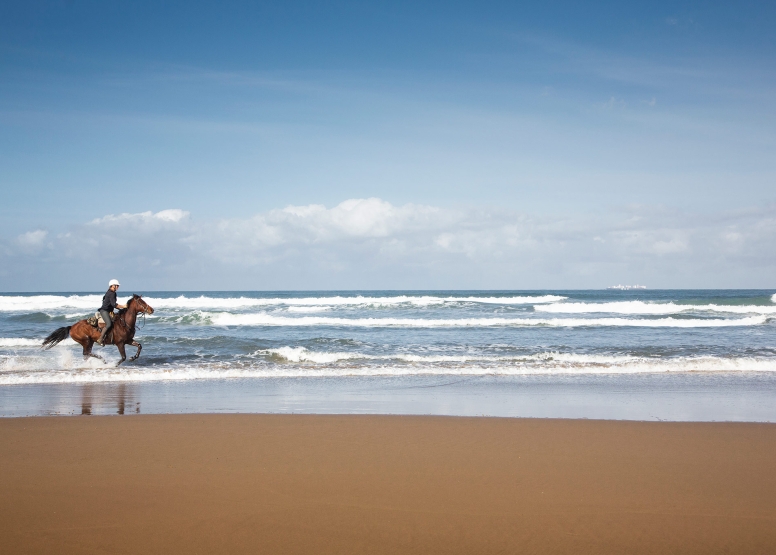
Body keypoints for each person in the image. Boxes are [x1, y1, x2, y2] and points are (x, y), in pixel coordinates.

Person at [98, 279, 127, 346]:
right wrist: (123, 306)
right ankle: (100, 339)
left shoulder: (112, 292)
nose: (118, 287)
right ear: (112, 286)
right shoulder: (112, 293)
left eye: (118, 286)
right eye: (117, 285)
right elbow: (114, 305)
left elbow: (112, 304)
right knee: (108, 324)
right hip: (104, 311)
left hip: (110, 311)